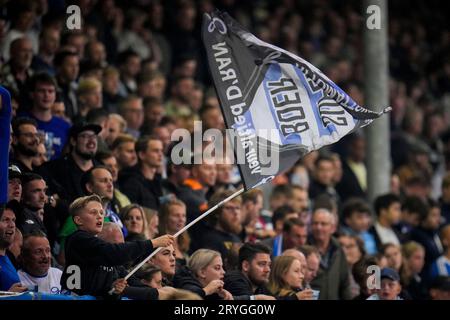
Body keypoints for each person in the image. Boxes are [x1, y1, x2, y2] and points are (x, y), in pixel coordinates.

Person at [60, 194, 175, 299]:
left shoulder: (98, 251)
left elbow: (99, 289)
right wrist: (153, 243)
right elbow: (113, 253)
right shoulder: (78, 239)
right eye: (93, 212)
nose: (99, 216)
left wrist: (113, 289)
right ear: (78, 220)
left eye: (101, 212)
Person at [38, 122, 102, 204]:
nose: (91, 140)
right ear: (73, 141)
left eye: (94, 136)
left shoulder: (101, 169)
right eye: (85, 136)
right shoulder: (54, 169)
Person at [20, 72, 71, 159]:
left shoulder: (65, 127)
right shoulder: (21, 121)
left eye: (50, 91)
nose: (46, 95)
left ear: (55, 95)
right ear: (32, 94)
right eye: (41, 91)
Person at [309, 208, 352, 300]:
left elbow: (344, 283)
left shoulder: (338, 249)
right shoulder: (304, 248)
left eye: (323, 224)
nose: (318, 227)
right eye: (315, 223)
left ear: (333, 228)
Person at [118, 135, 164, 209]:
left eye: (161, 150)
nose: (160, 154)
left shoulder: (157, 181)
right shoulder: (131, 183)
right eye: (155, 151)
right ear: (142, 155)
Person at [199, 190, 243, 261]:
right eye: (229, 208)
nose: (235, 212)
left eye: (237, 208)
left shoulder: (237, 239)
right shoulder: (210, 240)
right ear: (217, 213)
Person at [410, 199, 444, 275]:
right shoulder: (416, 235)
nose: (438, 219)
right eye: (434, 215)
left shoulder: (435, 231)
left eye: (439, 215)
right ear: (423, 216)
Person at [0, 204, 27, 292]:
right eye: (5, 220)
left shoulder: (10, 258)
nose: (12, 225)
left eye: (13, 220)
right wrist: (8, 295)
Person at [158, 199, 190, 266]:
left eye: (183, 215)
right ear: (166, 217)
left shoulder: (183, 246)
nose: (181, 219)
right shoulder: (158, 245)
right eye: (176, 215)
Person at [338, 234, 366, 298]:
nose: (345, 250)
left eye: (350, 246)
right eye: (343, 247)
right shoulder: (340, 271)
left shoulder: (368, 271)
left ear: (360, 251)